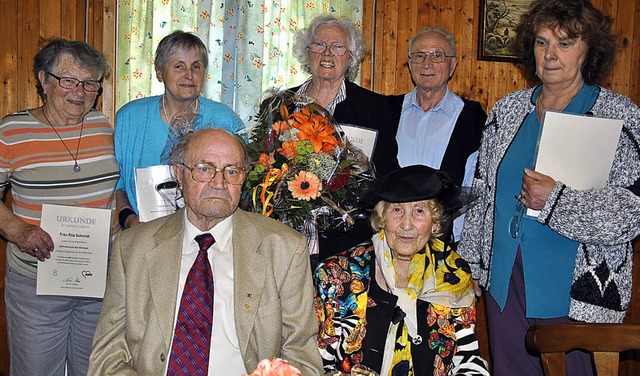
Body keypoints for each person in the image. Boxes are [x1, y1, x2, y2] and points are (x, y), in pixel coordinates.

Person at [457, 0, 640, 374]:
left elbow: (630, 213)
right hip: (505, 282)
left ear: (589, 49)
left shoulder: (620, 116)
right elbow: (483, 191)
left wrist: (554, 202)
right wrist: (472, 263)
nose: (550, 55)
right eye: (542, 43)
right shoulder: (507, 111)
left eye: (564, 43)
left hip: (578, 290)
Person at [88, 128, 323, 375]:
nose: (219, 183)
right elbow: (106, 358)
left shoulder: (284, 249)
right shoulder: (133, 248)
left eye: (232, 171)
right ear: (178, 174)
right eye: (204, 168)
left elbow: (302, 360)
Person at [0, 39, 118, 376]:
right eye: (68, 80)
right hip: (37, 281)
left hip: (100, 279)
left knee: (95, 369)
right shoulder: (11, 131)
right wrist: (19, 230)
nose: (79, 92)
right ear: (43, 79)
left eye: (89, 82)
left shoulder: (103, 127)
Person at [315, 165, 489, 376]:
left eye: (419, 211)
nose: (407, 225)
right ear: (381, 218)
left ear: (434, 222)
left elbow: (468, 358)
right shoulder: (338, 274)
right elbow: (316, 363)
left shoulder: (454, 272)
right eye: (397, 210)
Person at [287, 14, 400, 259]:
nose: (327, 53)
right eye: (319, 45)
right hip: (287, 235)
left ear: (351, 57)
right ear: (306, 52)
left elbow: (386, 174)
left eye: (338, 47)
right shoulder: (282, 105)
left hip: (348, 242)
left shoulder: (376, 109)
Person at [115, 30, 245, 230]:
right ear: (159, 72)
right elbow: (119, 185)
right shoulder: (130, 118)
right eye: (179, 66)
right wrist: (130, 220)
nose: (189, 75)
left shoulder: (226, 121)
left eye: (196, 66)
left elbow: (242, 185)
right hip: (143, 231)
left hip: (211, 234)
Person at [387, 27, 487, 246]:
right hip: (390, 240)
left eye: (437, 56)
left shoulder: (473, 119)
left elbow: (477, 190)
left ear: (452, 65)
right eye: (419, 55)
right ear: (410, 64)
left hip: (445, 245)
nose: (427, 63)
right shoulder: (387, 111)